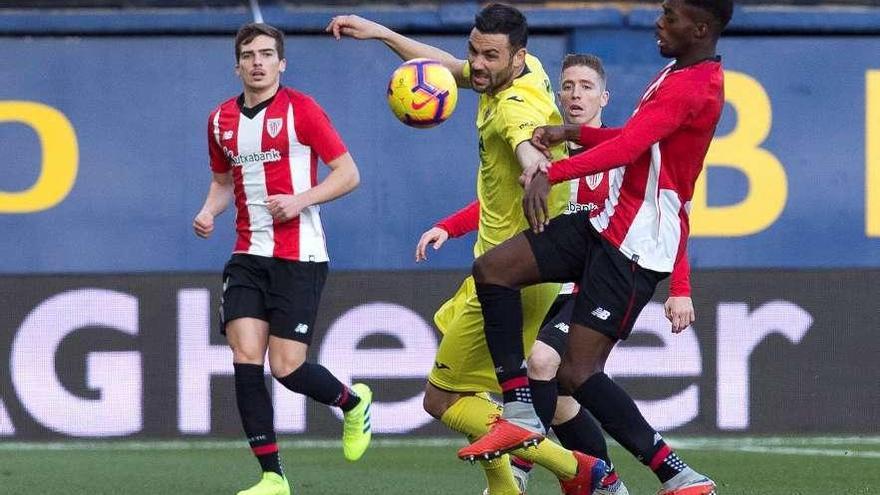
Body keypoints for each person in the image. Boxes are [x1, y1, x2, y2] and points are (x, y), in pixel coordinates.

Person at [328, 5, 607, 495]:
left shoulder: (514, 105)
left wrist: (533, 168)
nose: (476, 64)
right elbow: (443, 67)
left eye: (489, 56)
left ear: (516, 58)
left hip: (511, 277)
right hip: (503, 267)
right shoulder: (525, 70)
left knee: (442, 400)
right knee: (477, 389)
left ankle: (577, 469)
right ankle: (510, 488)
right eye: (474, 50)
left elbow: (525, 142)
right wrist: (380, 32)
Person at [459, 2, 733, 495]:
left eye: (669, 16)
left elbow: (629, 152)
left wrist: (550, 169)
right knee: (494, 269)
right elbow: (635, 139)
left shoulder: (695, 87)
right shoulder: (679, 72)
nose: (658, 21)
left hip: (635, 244)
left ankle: (676, 475)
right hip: (603, 225)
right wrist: (571, 133)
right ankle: (519, 408)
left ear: (700, 28)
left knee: (576, 371)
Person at [421, 53, 693, 495]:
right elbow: (506, 200)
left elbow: (672, 214)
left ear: (604, 96)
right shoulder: (552, 153)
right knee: (563, 399)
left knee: (544, 362)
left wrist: (681, 288)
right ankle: (604, 480)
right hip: (550, 286)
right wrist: (447, 227)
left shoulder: (625, 153)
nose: (575, 94)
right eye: (567, 86)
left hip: (593, 285)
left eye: (586, 86)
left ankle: (523, 471)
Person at [192, 22, 372, 495]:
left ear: (281, 63)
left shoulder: (302, 110)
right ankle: (273, 477)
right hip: (248, 254)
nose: (258, 61)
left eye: (267, 54)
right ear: (237, 65)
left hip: (300, 255)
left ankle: (352, 404)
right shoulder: (219, 121)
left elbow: (348, 174)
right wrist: (208, 211)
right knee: (245, 357)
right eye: (249, 54)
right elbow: (223, 182)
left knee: (287, 369)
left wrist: (301, 200)